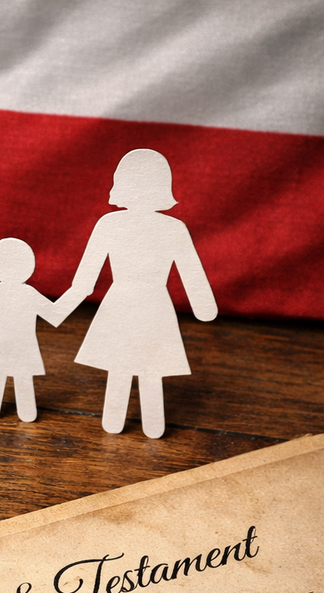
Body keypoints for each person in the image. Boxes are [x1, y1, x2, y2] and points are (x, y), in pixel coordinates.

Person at [67, 149, 218, 438]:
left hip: (137, 302)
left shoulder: (118, 225)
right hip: (143, 303)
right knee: (140, 363)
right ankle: (127, 422)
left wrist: (63, 306)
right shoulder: (163, 227)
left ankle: (142, 424)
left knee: (140, 362)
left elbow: (84, 281)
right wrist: (203, 306)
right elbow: (86, 277)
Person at [0, 238, 78, 421]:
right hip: (19, 348)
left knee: (1, 376)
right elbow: (55, 314)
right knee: (17, 378)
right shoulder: (26, 293)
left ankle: (3, 411)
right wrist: (77, 292)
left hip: (3, 347)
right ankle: (21, 414)